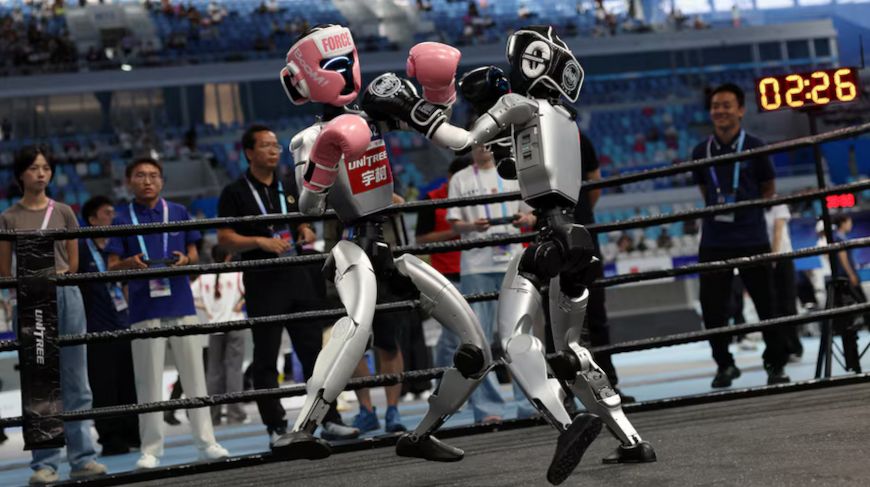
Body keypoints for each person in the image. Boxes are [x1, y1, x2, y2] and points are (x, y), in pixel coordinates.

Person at [216, 124, 358, 445]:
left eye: (276, 145)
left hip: (299, 276)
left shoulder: (289, 185)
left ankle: (328, 419)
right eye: (265, 145)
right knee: (266, 356)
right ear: (249, 152)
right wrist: (259, 242)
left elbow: (301, 219)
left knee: (314, 354)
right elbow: (224, 238)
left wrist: (304, 229)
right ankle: (275, 426)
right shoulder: (235, 192)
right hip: (263, 280)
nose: (273, 150)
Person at [106, 157, 228, 469]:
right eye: (140, 175)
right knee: (148, 383)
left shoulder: (178, 212)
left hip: (181, 304)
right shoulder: (121, 218)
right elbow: (111, 266)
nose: (147, 181)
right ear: (129, 181)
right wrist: (128, 264)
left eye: (153, 175)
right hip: (143, 309)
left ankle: (207, 443)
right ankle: (150, 450)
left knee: (195, 378)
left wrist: (186, 260)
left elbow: (193, 253)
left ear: (162, 180)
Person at [0, 146, 107, 484]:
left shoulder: (63, 212)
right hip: (30, 299)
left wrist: (54, 277)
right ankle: (44, 464)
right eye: (34, 168)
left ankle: (83, 458)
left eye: (46, 167)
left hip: (66, 294)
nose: (41, 173)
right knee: (40, 383)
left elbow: (72, 263)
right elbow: (4, 270)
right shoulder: (8, 217)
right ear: (21, 174)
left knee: (76, 379)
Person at [691, 83, 790, 388]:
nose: (720, 111)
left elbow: (768, 189)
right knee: (713, 308)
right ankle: (724, 365)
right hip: (714, 240)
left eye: (726, 105)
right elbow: (706, 192)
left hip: (752, 237)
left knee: (766, 304)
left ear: (741, 110)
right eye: (715, 106)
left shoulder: (756, 146)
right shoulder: (700, 151)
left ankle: (775, 364)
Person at [446, 143, 536, 419]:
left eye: (488, 142)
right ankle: (487, 408)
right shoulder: (460, 178)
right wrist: (472, 226)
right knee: (478, 337)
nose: (483, 148)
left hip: (512, 261)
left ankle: (529, 404)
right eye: (478, 143)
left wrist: (525, 220)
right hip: (476, 265)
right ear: (470, 145)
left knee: (518, 334)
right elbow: (454, 222)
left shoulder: (512, 172)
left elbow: (532, 215)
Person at [573, 133, 634, 403]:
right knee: (554, 321)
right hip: (552, 234)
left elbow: (594, 181)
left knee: (595, 311)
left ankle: (608, 387)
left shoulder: (577, 136)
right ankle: (564, 394)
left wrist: (581, 214)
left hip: (583, 231)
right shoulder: (530, 134)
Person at [78, 196, 140, 455]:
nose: (112, 217)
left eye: (113, 212)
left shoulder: (117, 247)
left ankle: (132, 433)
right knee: (103, 386)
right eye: (106, 213)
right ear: (92, 220)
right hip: (95, 329)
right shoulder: (80, 249)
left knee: (128, 382)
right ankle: (110, 438)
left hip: (122, 324)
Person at [192, 245, 248, 425]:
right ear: (228, 256)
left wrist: (207, 309)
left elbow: (190, 296)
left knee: (214, 372)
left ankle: (213, 416)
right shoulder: (236, 274)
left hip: (214, 326)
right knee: (234, 370)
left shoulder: (204, 277)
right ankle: (235, 414)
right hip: (235, 324)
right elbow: (251, 290)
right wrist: (240, 303)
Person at [764, 203, 803, 360]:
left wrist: (773, 258)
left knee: (787, 305)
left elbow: (778, 232)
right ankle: (780, 348)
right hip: (763, 260)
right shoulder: (754, 205)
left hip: (782, 258)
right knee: (772, 307)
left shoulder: (778, 205)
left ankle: (794, 346)